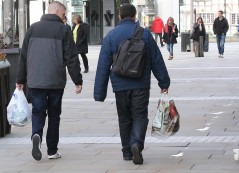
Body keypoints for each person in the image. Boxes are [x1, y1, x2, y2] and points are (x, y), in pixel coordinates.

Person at [94, 3, 170, 165]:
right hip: (140, 83)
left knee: (124, 118)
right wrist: (164, 81)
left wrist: (99, 92)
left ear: (120, 16)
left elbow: (103, 65)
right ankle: (136, 143)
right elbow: (156, 59)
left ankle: (127, 151)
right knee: (140, 116)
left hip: (120, 85)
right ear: (135, 16)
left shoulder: (111, 36)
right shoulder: (145, 35)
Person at [16, 1, 83, 161]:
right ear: (57, 11)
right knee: (54, 114)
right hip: (55, 80)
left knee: (38, 111)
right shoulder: (64, 29)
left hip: (35, 79)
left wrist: (20, 79)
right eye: (63, 13)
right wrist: (77, 80)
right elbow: (71, 57)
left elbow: (23, 56)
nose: (64, 16)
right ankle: (52, 150)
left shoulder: (33, 28)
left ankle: (36, 135)